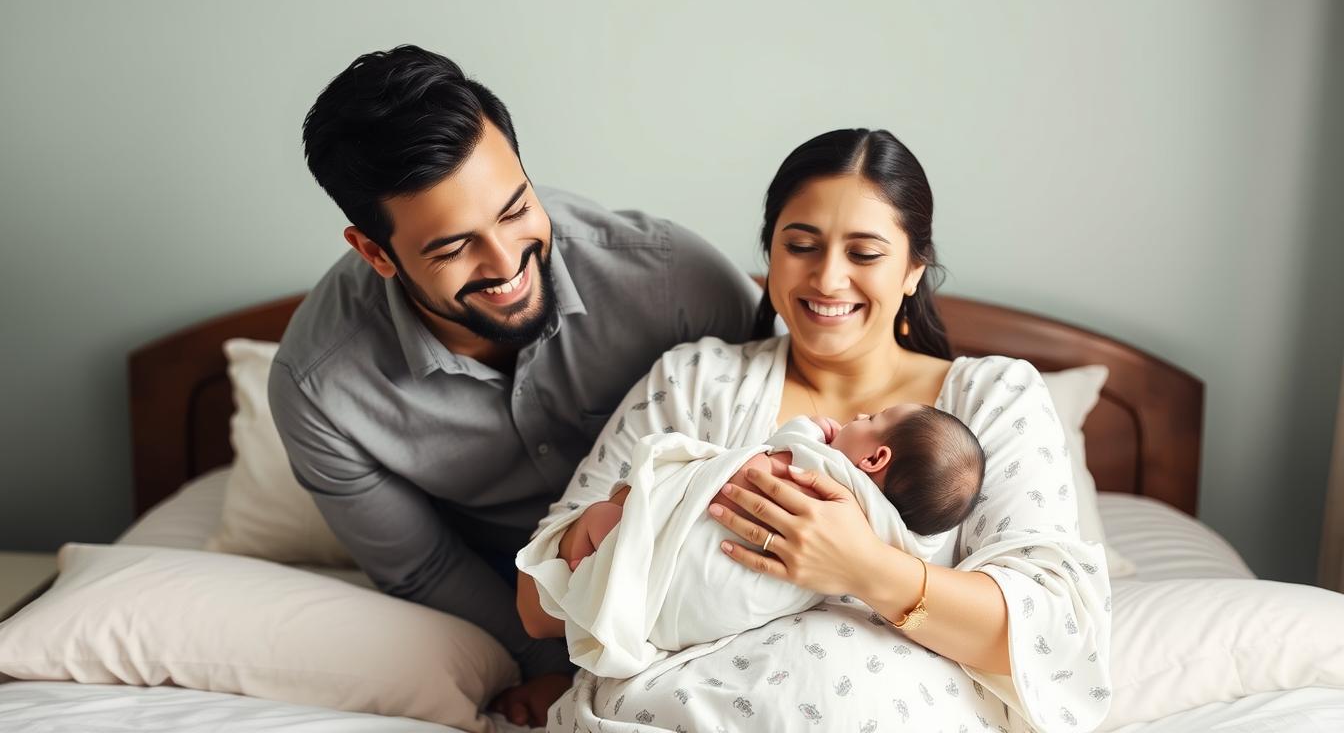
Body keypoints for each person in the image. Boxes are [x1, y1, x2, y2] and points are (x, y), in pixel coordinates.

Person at [518, 129, 1112, 732]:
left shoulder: (992, 399)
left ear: (913, 269)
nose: (828, 279)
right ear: (770, 252)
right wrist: (619, 526)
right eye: (801, 245)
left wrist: (863, 568)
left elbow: (1050, 636)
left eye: (864, 254)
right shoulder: (698, 379)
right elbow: (535, 605)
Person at [269, 45, 759, 726]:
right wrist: (550, 665)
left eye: (514, 209)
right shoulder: (319, 390)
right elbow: (425, 567)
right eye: (450, 247)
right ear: (375, 252)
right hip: (499, 578)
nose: (507, 264)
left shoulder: (674, 281)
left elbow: (797, 400)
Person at [516, 405, 984, 678]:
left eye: (873, 417)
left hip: (673, 582)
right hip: (698, 620)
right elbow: (533, 612)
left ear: (875, 457)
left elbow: (775, 455)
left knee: (605, 519)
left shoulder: (825, 470)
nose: (859, 415)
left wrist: (808, 430)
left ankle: (598, 572)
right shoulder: (901, 539)